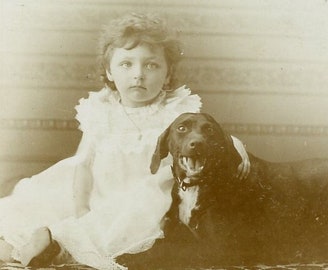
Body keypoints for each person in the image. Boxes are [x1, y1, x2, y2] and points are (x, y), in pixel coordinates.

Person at [0, 13, 250, 269]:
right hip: (95, 192)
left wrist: (237, 146)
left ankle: (55, 246)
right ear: (109, 71)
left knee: (123, 225)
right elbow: (83, 165)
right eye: (126, 65)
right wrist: (81, 207)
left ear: (167, 74)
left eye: (151, 65)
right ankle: (26, 244)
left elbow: (209, 133)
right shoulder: (101, 110)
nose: (138, 75)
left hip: (146, 196)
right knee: (39, 208)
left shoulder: (175, 110)